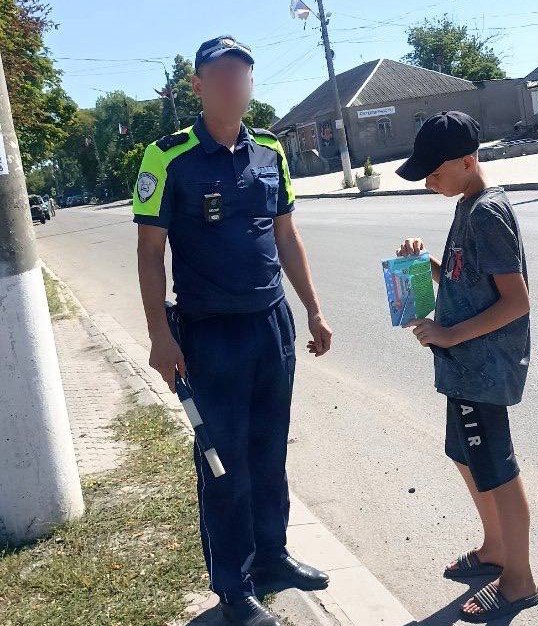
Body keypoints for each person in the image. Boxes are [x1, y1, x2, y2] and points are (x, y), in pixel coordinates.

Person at [132, 35, 333, 626]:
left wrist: (313, 310)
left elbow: (286, 234)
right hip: (210, 331)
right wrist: (158, 335)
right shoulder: (165, 157)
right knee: (224, 462)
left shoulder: (270, 149)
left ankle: (272, 557)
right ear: (198, 86)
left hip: (272, 323)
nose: (233, 88)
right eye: (220, 78)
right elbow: (149, 252)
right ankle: (232, 586)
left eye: (241, 77)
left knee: (270, 452)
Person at [394, 111, 538, 623]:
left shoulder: (487, 213)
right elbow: (464, 279)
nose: (429, 182)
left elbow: (516, 301)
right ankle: (496, 548)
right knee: (465, 455)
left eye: (434, 172)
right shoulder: (466, 205)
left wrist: (449, 333)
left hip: (483, 368)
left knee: (497, 469)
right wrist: (425, 265)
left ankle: (519, 581)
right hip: (463, 367)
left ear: (467, 160)